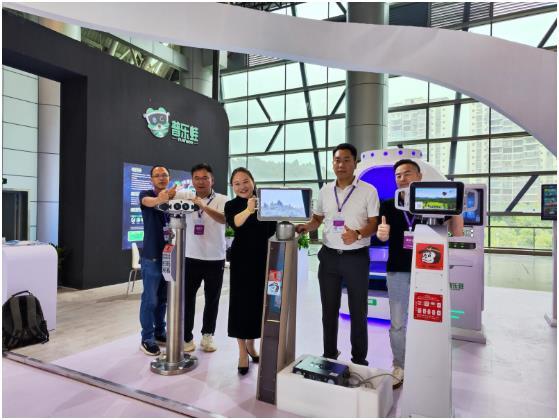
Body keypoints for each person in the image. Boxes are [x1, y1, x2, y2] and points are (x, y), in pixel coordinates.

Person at [376, 159, 464, 388]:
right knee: (397, 322)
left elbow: (457, 232)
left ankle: (427, 365)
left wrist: (457, 207)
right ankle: (400, 365)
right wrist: (382, 234)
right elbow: (382, 236)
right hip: (398, 269)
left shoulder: (434, 203)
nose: (402, 179)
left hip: (430, 272)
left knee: (429, 320)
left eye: (407, 174)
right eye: (398, 175)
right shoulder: (388, 205)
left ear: (419, 177)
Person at [296, 143, 379, 366]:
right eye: (337, 160)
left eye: (346, 160)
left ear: (355, 163)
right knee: (329, 310)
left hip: (356, 258)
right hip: (329, 257)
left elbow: (374, 223)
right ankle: (329, 354)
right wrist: (306, 227)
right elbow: (318, 219)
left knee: (358, 311)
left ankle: (359, 360)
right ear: (333, 163)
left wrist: (358, 234)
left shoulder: (368, 191)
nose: (341, 164)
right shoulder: (325, 191)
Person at [224, 167, 276, 375]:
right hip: (241, 262)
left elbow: (273, 229)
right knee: (240, 306)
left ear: (253, 181)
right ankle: (241, 352)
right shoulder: (231, 205)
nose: (242, 186)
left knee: (257, 305)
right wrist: (248, 209)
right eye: (237, 184)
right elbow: (236, 223)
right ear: (232, 187)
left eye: (245, 181)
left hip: (263, 260)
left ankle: (251, 345)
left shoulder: (266, 202)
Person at [179, 163, 227, 353]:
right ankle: (186, 337)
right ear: (192, 181)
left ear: (212, 180)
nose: (200, 182)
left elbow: (224, 219)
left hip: (215, 258)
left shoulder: (222, 199)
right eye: (196, 178)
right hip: (191, 257)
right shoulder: (186, 198)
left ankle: (207, 336)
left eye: (205, 178)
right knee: (187, 299)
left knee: (212, 299)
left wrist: (203, 206)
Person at [138, 165, 177, 356]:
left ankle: (160, 332)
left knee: (163, 299)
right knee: (150, 299)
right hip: (152, 256)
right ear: (151, 179)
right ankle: (147, 338)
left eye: (165, 175)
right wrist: (160, 199)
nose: (161, 178)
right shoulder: (146, 195)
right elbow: (150, 202)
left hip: (169, 256)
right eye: (157, 175)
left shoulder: (173, 200)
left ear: (169, 178)